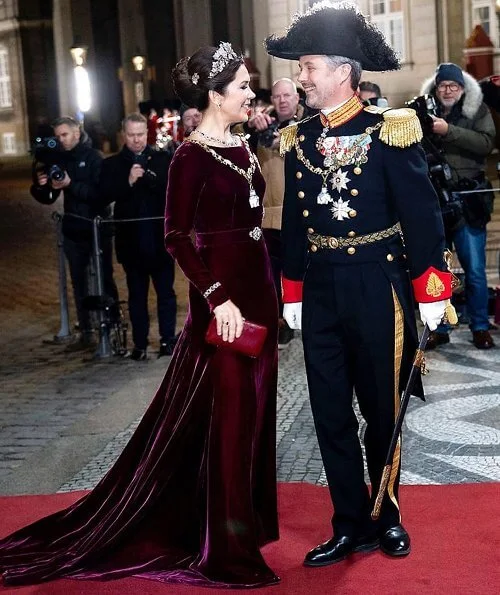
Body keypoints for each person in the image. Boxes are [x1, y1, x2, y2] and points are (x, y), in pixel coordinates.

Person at [0, 42, 279, 589]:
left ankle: (246, 524)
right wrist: (218, 298)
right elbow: (177, 237)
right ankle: (224, 546)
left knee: (253, 417)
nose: (252, 93)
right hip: (223, 304)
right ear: (216, 96)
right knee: (227, 419)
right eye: (243, 86)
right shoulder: (189, 157)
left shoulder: (243, 146)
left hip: (259, 294)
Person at [265, 2, 453, 565]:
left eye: (309, 67)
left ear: (342, 71)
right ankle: (349, 521)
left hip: (379, 283)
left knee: (382, 406)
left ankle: (385, 515)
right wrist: (292, 292)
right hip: (321, 288)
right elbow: (296, 223)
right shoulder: (297, 140)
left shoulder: (390, 130)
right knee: (329, 411)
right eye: (301, 69)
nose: (302, 78)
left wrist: (432, 292)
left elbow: (423, 217)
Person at [419, 63, 495, 350]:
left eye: (452, 86)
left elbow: (486, 143)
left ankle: (479, 326)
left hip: (468, 201)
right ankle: (439, 328)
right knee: (437, 271)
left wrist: (448, 130)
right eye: (442, 86)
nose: (447, 90)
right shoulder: (425, 112)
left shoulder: (477, 111)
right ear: (436, 89)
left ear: (462, 88)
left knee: (474, 269)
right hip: (436, 201)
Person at [31, 116, 119, 349]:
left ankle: (111, 323)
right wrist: (41, 186)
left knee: (104, 277)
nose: (61, 140)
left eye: (65, 135)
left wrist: (71, 184)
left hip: (96, 227)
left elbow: (101, 194)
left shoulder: (94, 158)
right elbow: (49, 198)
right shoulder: (59, 159)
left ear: (77, 133)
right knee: (78, 281)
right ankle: (87, 328)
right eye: (58, 136)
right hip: (73, 228)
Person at [99, 113, 178, 360]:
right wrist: (129, 181)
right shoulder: (112, 164)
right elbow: (104, 195)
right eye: (132, 135)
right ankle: (140, 344)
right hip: (131, 244)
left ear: (147, 133)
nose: (136, 140)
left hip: (160, 241)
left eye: (141, 135)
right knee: (137, 297)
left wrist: (151, 180)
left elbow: (171, 191)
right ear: (124, 135)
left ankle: (168, 341)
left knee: (166, 294)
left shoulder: (163, 159)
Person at [246, 78, 305, 347]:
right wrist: (253, 131)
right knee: (272, 272)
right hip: (267, 213)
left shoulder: (309, 124)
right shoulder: (261, 124)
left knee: (299, 269)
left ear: (296, 98)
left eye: (286, 95)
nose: (281, 100)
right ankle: (281, 321)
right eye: (277, 96)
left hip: (298, 212)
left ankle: (302, 316)